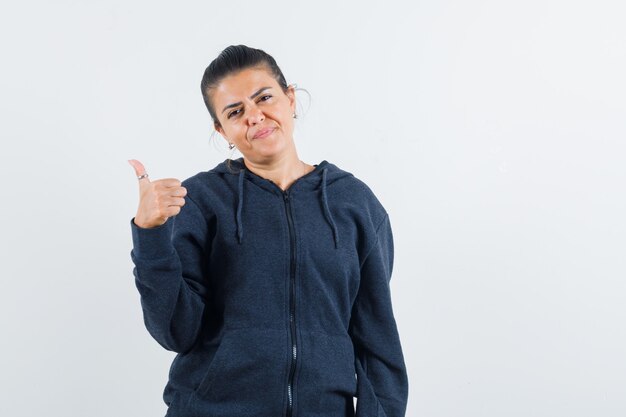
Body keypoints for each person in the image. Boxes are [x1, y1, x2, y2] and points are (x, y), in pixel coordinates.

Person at [128, 44, 408, 417]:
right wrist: (150, 236)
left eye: (264, 98)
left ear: (290, 98)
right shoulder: (200, 200)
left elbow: (378, 343)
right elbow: (175, 331)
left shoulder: (354, 204)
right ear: (221, 128)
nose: (255, 117)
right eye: (235, 111)